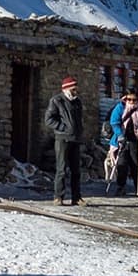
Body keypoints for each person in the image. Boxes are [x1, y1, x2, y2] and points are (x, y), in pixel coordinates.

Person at [44, 76, 86, 206]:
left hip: (75, 139)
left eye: (76, 89)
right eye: (73, 89)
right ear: (67, 89)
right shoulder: (57, 101)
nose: (76, 91)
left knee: (76, 170)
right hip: (62, 139)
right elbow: (49, 119)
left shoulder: (77, 102)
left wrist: (79, 131)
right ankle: (58, 196)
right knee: (61, 169)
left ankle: (76, 197)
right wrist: (63, 128)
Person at [108, 90, 138, 197]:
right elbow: (114, 122)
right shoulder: (120, 108)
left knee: (137, 164)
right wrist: (120, 135)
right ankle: (121, 186)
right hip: (122, 140)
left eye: (134, 99)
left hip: (135, 141)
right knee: (122, 164)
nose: (131, 102)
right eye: (129, 99)